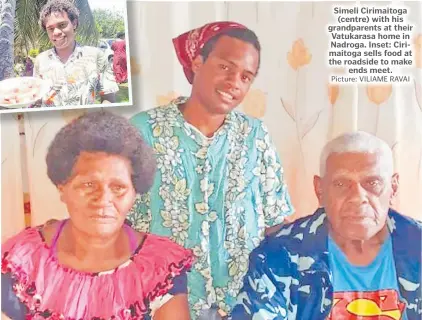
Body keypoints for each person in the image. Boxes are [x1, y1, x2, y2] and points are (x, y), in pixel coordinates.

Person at [129, 21, 294, 318]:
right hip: (166, 303)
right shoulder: (144, 132)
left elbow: (276, 221)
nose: (235, 82)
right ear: (197, 63)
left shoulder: (254, 135)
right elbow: (122, 222)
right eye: (226, 67)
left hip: (246, 301)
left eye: (246, 77)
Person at [1, 111, 193, 320]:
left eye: (118, 187)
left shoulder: (159, 266)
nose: (103, 199)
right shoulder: (23, 260)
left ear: (134, 194)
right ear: (62, 187)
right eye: (89, 184)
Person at [231, 131, 422, 320]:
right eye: (341, 184)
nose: (357, 198)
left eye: (372, 182)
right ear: (320, 190)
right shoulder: (278, 256)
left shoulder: (417, 245)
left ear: (393, 188)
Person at [33, 0, 118, 107]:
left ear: (74, 23)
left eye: (62, 25)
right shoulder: (41, 60)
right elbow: (37, 101)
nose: (56, 32)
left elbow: (108, 98)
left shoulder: (96, 56)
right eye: (50, 29)